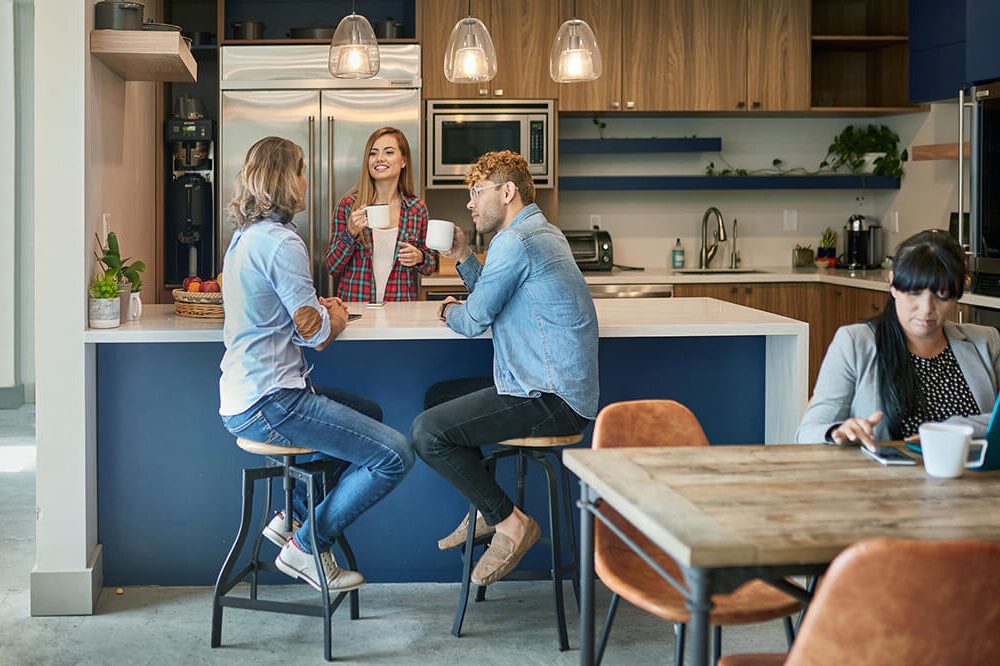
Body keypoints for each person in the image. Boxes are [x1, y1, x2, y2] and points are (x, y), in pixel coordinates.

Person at [219, 136, 414, 592]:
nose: (307, 180)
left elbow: (291, 317)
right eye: (303, 170)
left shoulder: (246, 237)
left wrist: (318, 311)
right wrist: (336, 314)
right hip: (272, 403)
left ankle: (293, 517)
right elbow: (318, 334)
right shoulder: (283, 242)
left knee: (369, 413)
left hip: (250, 395)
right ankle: (307, 546)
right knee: (395, 455)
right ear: (288, 179)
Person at [410, 150, 599, 587]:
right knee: (440, 398)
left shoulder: (515, 241)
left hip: (550, 397)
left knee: (427, 431)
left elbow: (475, 319)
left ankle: (510, 522)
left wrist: (448, 312)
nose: (471, 204)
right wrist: (462, 256)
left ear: (507, 191)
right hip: (544, 386)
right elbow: (495, 300)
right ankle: (485, 506)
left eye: (477, 192)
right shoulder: (538, 232)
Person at [797, 229, 1000, 449]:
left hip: (973, 479)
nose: (926, 309)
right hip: (884, 479)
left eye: (941, 295)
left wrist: (946, 430)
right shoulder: (855, 343)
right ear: (893, 284)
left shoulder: (985, 341)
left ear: (957, 294)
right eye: (914, 292)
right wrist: (838, 431)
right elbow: (807, 432)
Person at [326, 127, 436, 302]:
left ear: (403, 161)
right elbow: (333, 267)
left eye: (389, 152)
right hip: (357, 308)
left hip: (401, 309)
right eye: (373, 153)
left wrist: (420, 257)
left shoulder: (417, 208)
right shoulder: (349, 206)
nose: (379, 159)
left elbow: (430, 266)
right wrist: (350, 232)